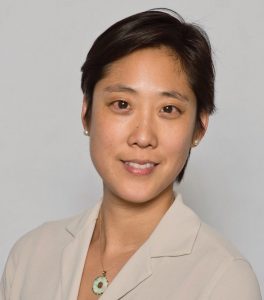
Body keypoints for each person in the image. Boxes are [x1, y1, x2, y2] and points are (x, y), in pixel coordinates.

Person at [0, 8, 261, 300]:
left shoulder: (223, 280)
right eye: (122, 104)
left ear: (199, 128)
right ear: (86, 113)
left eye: (168, 109)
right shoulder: (30, 257)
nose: (143, 137)